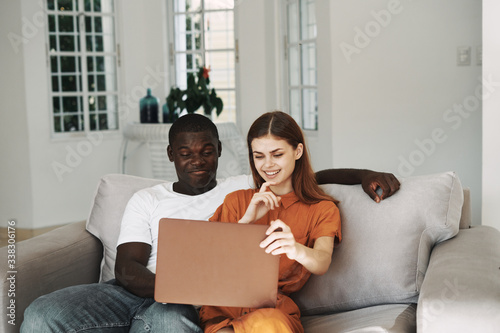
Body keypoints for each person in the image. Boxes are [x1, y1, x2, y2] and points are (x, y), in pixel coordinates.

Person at [21, 113, 400, 333]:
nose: (197, 161)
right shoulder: (156, 199)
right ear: (171, 155)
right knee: (40, 313)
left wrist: (366, 173)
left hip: (195, 305)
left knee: (173, 324)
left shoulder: (245, 188)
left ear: (220, 152)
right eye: (185, 153)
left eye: (206, 151)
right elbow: (126, 268)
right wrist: (188, 284)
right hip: (157, 293)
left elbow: (305, 181)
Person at [200, 111, 340, 332]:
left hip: (272, 312)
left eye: (277, 154)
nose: (267, 165)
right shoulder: (237, 201)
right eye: (259, 156)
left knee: (267, 326)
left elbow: (322, 261)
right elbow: (209, 262)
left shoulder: (322, 209)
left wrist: (295, 249)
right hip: (224, 307)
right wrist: (246, 221)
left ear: (298, 151)